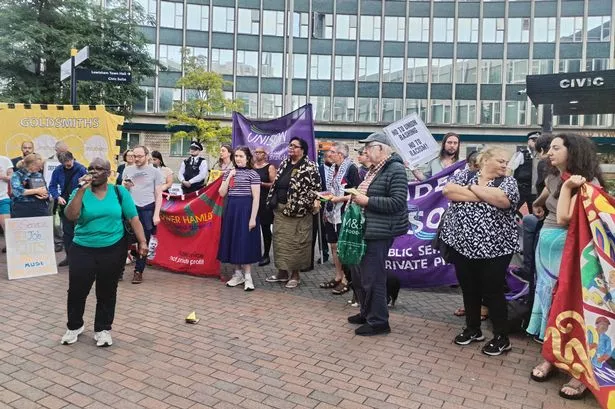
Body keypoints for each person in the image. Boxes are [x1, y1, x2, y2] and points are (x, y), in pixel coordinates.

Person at [527, 133, 604, 400]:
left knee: (570, 303)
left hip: (572, 250)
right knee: (550, 300)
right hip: (547, 245)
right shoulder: (554, 177)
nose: (549, 152)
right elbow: (544, 200)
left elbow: (563, 218)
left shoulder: (585, 183)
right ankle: (552, 356)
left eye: (556, 148)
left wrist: (570, 188)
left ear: (573, 152)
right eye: (549, 148)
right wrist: (536, 207)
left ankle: (579, 371)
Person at [60, 158, 148, 347]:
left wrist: (142, 241)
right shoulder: (79, 192)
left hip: (113, 248)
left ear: (108, 173)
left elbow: (133, 217)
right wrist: (81, 190)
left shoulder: (119, 192)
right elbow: (70, 216)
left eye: (99, 169)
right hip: (83, 247)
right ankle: (74, 326)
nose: (93, 172)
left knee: (107, 290)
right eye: (91, 168)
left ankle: (103, 329)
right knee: (77, 290)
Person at [441, 147, 520, 355]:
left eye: (506, 162)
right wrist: (486, 195)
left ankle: (502, 337)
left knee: (493, 290)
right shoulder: (465, 174)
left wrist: (470, 190)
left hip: (496, 248)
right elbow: (448, 191)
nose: (505, 165)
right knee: (469, 288)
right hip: (463, 246)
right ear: (486, 160)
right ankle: (473, 329)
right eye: (501, 160)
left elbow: (504, 200)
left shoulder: (508, 181)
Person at [346, 132, 409, 336]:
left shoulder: (395, 169)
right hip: (368, 228)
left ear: (381, 149)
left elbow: (397, 202)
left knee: (373, 277)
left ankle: (379, 321)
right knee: (363, 276)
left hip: (379, 231)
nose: (365, 151)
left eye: (369, 147)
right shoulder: (374, 170)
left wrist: (367, 202)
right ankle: (367, 312)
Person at [265, 137, 321, 289]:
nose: (291, 148)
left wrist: (302, 203)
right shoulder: (284, 163)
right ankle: (282, 273)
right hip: (280, 210)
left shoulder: (310, 166)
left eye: (295, 146)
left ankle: (295, 274)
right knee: (280, 242)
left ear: (303, 150)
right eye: (290, 146)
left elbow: (316, 189)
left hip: (299, 213)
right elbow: (277, 183)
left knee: (296, 244)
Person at [217, 147, 262, 291]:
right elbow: (222, 193)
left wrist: (253, 218)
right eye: (236, 156)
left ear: (248, 158)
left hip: (246, 210)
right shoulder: (229, 173)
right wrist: (229, 176)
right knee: (233, 241)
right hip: (232, 210)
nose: (238, 158)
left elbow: (256, 198)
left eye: (241, 156)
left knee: (245, 242)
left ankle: (248, 276)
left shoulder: (253, 174)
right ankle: (237, 274)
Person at [320, 142, 361, 295]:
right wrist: (324, 196)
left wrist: (339, 199)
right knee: (333, 246)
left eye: (332, 152)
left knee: (342, 247)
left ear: (340, 155)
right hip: (331, 212)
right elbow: (331, 188)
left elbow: (357, 193)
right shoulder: (332, 168)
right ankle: (338, 276)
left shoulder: (351, 169)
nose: (328, 154)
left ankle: (346, 280)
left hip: (344, 212)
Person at [122, 145, 163, 284]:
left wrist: (156, 214)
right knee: (123, 241)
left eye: (139, 156)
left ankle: (139, 271)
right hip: (130, 209)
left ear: (147, 156)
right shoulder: (127, 170)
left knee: (143, 241)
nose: (136, 159)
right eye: (134, 156)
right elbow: (124, 192)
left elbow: (159, 194)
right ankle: (119, 271)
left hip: (147, 208)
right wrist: (124, 187)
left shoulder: (155, 172)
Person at [49, 151, 87, 267]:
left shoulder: (81, 169)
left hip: (80, 202)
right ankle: (69, 257)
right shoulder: (58, 170)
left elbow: (88, 184)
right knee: (67, 232)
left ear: (72, 158)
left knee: (80, 231)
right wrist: (57, 197)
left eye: (69, 162)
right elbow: (52, 186)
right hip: (65, 203)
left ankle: (82, 258)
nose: (67, 164)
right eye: (64, 163)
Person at [253, 146, 276, 267]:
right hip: (252, 201)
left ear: (265, 154)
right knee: (252, 227)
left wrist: (261, 183)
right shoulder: (251, 167)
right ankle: (253, 252)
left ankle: (266, 254)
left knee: (265, 228)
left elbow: (274, 184)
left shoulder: (270, 167)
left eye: (259, 152)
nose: (257, 154)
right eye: (255, 152)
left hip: (264, 201)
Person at [508, 131, 540, 213]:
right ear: (528, 141)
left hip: (534, 190)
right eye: (533, 140)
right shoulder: (520, 154)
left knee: (535, 214)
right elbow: (509, 169)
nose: (535, 143)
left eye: (538, 141)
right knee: (511, 211)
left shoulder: (541, 156)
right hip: (520, 189)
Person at [10, 153, 49, 218]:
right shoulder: (17, 175)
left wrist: (46, 195)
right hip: (22, 207)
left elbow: (44, 189)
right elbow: (17, 192)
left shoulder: (39, 175)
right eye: (38, 166)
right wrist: (36, 191)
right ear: (31, 165)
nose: (40, 168)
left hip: (40, 207)